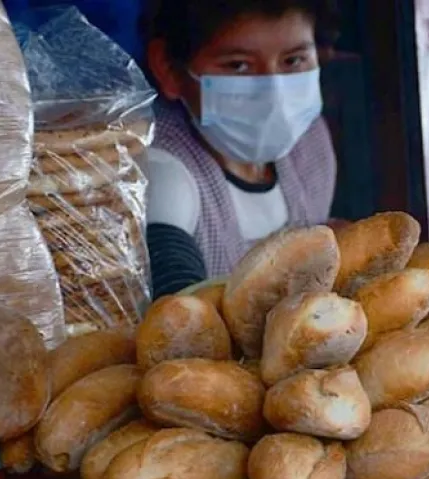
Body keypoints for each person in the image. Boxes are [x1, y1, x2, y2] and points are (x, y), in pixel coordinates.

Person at [141, 0, 340, 298]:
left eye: (293, 60)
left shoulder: (309, 143)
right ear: (169, 68)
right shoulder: (160, 164)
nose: (274, 92)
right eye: (238, 65)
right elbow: (175, 296)